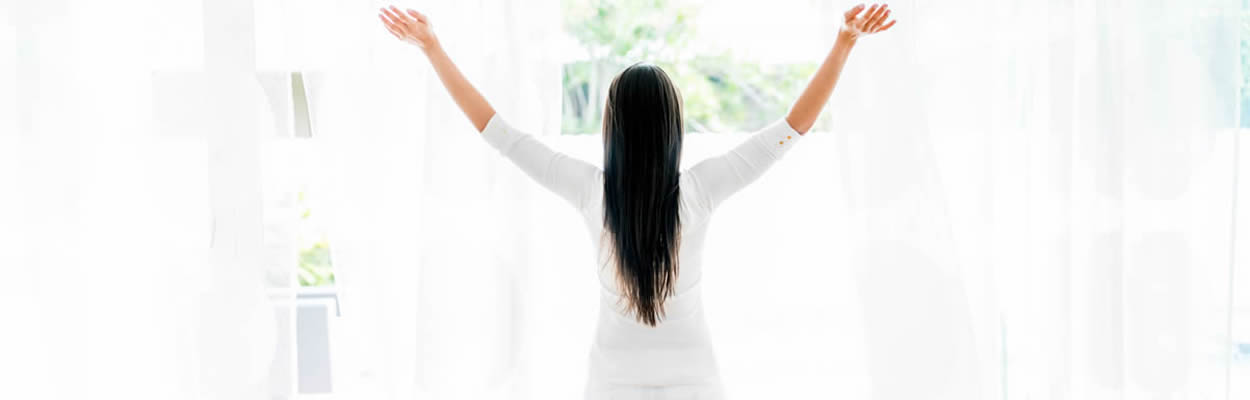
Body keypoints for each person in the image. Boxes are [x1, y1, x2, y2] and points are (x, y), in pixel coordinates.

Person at [379, 4, 896, 399]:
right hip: (696, 376)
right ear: (674, 127)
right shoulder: (702, 188)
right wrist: (844, 43)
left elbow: (497, 131)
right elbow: (793, 127)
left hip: (612, 378)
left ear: (613, 128)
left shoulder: (588, 191)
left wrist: (432, 49)